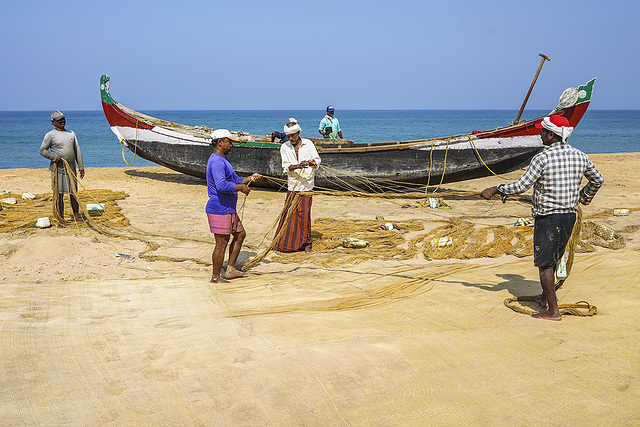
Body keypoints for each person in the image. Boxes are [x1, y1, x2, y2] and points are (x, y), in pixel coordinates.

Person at [481, 114, 604, 321]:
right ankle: (546, 298)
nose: (540, 134)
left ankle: (553, 311)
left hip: (548, 218)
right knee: (555, 257)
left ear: (550, 135)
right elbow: (598, 180)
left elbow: (521, 186)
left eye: (543, 132)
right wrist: (581, 198)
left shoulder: (542, 158)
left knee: (545, 264)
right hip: (568, 216)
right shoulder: (580, 155)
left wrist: (496, 189)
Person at [206, 129, 262, 283]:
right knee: (221, 243)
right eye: (229, 142)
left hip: (228, 208)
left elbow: (235, 178)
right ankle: (215, 277)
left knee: (240, 235)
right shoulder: (217, 161)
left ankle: (230, 269)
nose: (231, 145)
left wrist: (250, 178)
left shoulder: (224, 160)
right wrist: (241, 188)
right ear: (220, 142)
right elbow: (222, 185)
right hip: (219, 207)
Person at [275, 118, 321, 253]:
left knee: (304, 214)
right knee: (290, 214)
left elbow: (317, 162)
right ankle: (287, 243)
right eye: (288, 136)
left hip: (307, 186)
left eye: (293, 135)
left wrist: (311, 162)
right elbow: (286, 167)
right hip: (293, 186)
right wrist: (299, 165)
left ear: (299, 132)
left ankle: (306, 243)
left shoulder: (309, 144)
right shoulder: (284, 147)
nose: (290, 138)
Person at [39, 110, 85, 225]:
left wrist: (81, 167)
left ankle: (76, 216)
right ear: (53, 122)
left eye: (63, 119)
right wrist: (54, 157)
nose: (62, 121)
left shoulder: (71, 133)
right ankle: (61, 219)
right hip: (58, 169)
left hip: (71, 168)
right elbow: (42, 151)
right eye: (59, 120)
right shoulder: (50, 135)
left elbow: (77, 150)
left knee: (74, 193)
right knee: (59, 194)